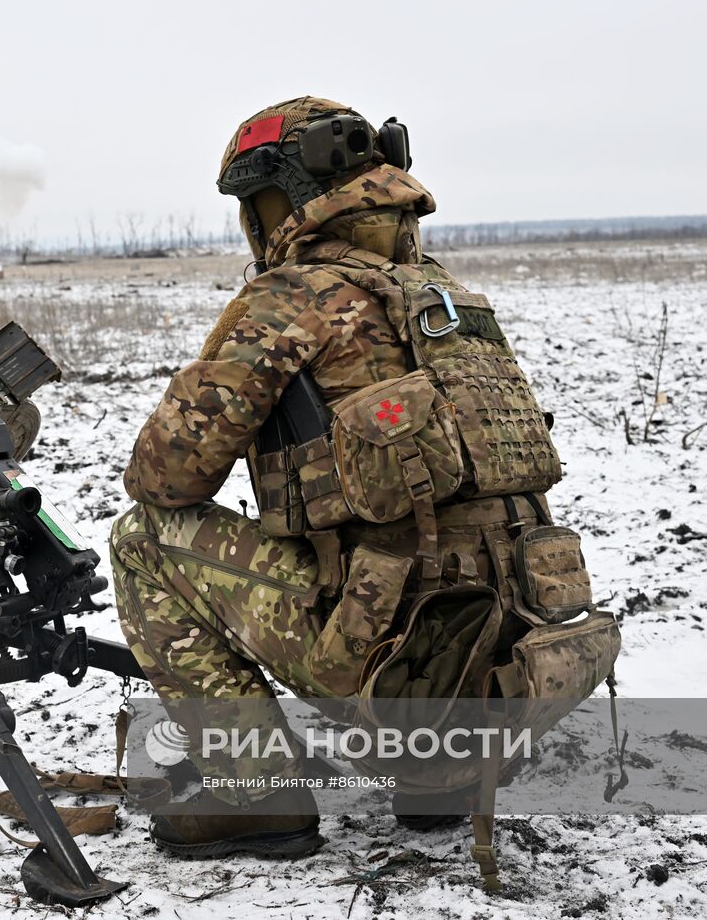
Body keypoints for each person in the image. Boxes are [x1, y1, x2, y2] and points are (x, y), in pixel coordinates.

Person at [109, 96, 606, 865]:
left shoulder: (292, 296)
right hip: (509, 660)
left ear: (281, 199)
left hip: (399, 659)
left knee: (142, 539)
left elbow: (167, 478)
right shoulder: (446, 297)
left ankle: (256, 795)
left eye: (255, 203)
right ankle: (436, 781)